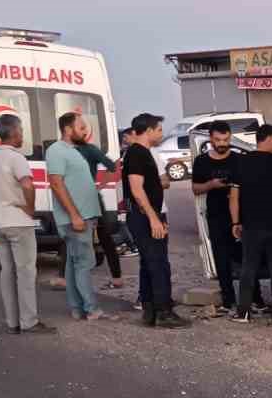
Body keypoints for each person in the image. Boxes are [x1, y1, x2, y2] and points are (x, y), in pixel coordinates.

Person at [0, 114, 55, 335]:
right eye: (21, 130)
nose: (22, 135)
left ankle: (12, 322)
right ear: (14, 132)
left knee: (7, 273)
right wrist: (30, 208)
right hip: (18, 222)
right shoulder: (17, 158)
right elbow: (28, 185)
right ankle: (30, 322)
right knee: (25, 273)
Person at [191, 121, 264, 313]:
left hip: (241, 216)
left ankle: (255, 299)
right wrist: (211, 185)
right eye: (218, 140)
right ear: (210, 139)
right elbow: (195, 188)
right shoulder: (201, 161)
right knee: (222, 261)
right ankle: (228, 300)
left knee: (247, 259)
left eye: (225, 139)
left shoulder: (240, 159)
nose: (222, 143)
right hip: (216, 216)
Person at [122, 112, 186, 328]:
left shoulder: (142, 152)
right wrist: (153, 219)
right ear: (148, 130)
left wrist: (157, 216)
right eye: (158, 129)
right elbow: (137, 190)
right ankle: (163, 312)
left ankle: (150, 311)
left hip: (149, 215)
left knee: (151, 262)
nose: (161, 133)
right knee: (158, 263)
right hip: (143, 217)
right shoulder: (137, 154)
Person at [46, 111, 110, 321]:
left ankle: (77, 309)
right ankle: (92, 309)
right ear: (68, 129)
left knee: (74, 264)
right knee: (83, 263)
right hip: (76, 219)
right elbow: (56, 183)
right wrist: (75, 215)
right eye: (81, 127)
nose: (85, 131)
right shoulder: (57, 150)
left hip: (82, 217)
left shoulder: (73, 151)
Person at [230, 124, 272, 323]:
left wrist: (235, 222)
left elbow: (234, 196)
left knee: (249, 267)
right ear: (269, 138)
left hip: (251, 225)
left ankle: (243, 313)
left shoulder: (241, 163)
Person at [65, 117, 126, 292]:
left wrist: (100, 184)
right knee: (77, 238)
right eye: (80, 128)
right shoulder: (66, 150)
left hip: (86, 198)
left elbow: (113, 166)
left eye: (84, 128)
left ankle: (116, 277)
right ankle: (68, 278)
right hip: (79, 198)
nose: (84, 131)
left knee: (102, 237)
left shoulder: (88, 150)